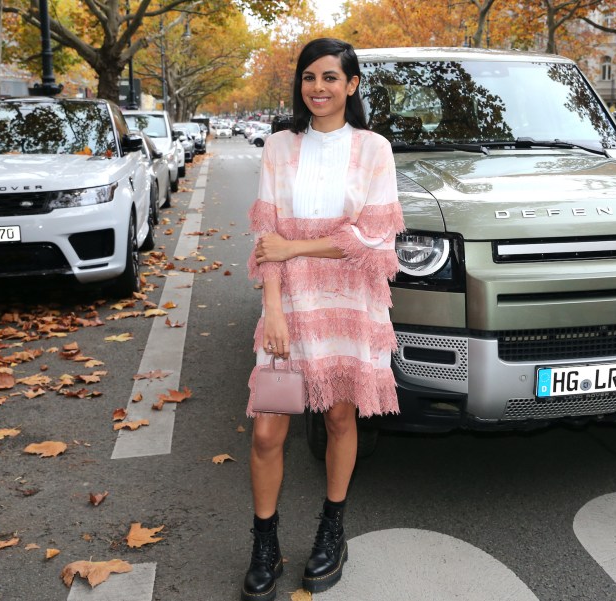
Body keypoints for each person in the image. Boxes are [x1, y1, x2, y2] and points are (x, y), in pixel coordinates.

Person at [242, 37, 404, 601]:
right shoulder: (278, 147)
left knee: (339, 418)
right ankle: (265, 541)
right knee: (268, 431)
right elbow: (268, 239)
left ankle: (332, 528)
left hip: (348, 304)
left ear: (352, 85)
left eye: (331, 78)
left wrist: (296, 249)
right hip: (288, 307)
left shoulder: (373, 149)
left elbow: (376, 241)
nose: (318, 88)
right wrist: (274, 309)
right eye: (309, 77)